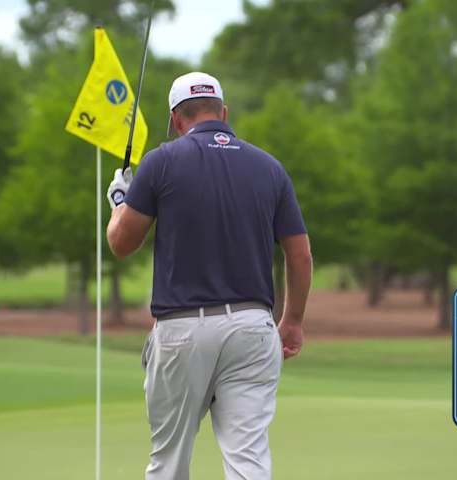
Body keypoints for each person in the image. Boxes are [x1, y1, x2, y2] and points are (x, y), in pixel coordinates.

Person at [105, 71, 312, 480]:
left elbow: (121, 243)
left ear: (175, 120)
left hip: (183, 330)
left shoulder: (161, 161)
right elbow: (300, 254)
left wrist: (119, 200)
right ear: (224, 112)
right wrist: (293, 321)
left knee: (169, 461)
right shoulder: (269, 167)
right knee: (248, 459)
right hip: (253, 328)